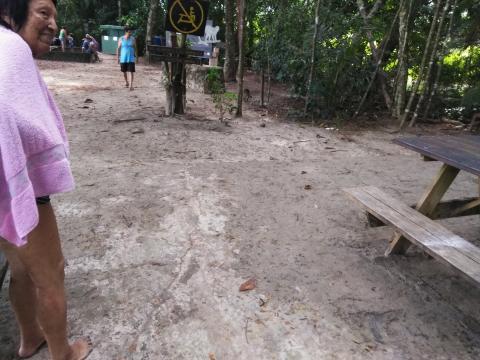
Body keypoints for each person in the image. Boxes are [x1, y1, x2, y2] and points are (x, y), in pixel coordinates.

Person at [0, 1, 91, 359]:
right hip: (15, 182)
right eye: (43, 12)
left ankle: (29, 338)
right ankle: (62, 353)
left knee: (21, 268)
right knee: (51, 272)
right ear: (11, 12)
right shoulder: (13, 49)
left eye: (54, 15)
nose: (53, 23)